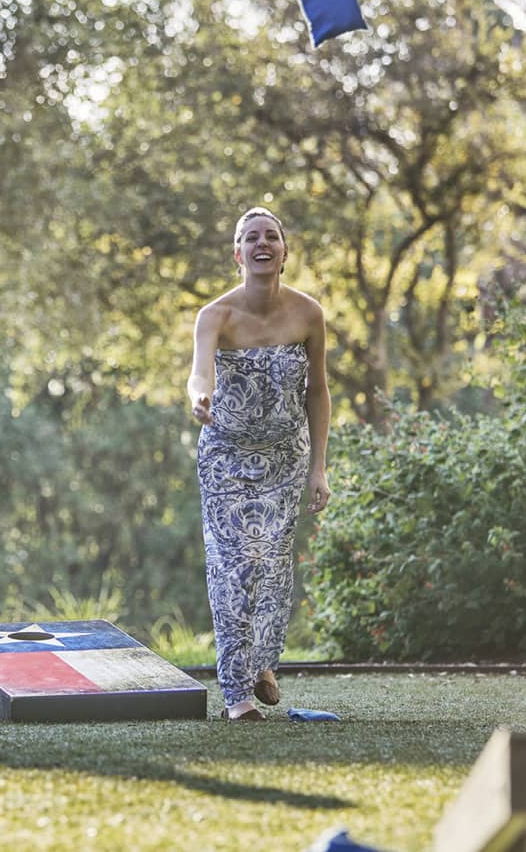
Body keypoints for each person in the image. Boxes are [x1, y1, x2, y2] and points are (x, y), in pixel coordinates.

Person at [187, 206, 332, 721]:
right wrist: (198, 398)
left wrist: (319, 467)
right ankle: (237, 694)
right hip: (225, 459)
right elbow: (199, 372)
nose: (262, 243)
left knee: (270, 568)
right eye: (251, 238)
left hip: (284, 461)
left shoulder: (308, 314)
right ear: (238, 254)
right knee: (232, 567)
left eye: (271, 236)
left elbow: (317, 391)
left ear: (285, 253)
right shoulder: (216, 316)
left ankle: (264, 661)